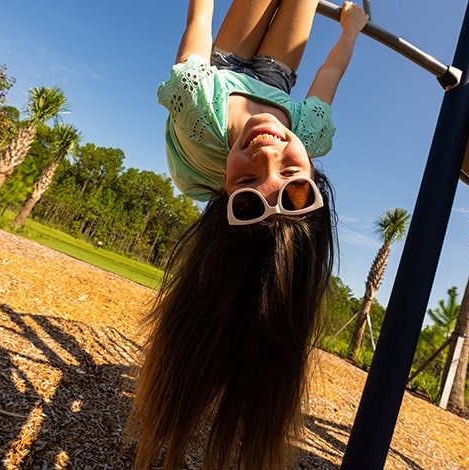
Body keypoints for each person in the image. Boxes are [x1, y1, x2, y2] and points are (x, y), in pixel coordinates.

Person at [126, 1, 369, 469]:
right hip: (276, 81)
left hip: (224, 70)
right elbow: (330, 73)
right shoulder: (309, 134)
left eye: (245, 187)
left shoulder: (198, 107)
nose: (266, 155)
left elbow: (199, 20)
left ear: (221, 189)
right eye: (294, 179)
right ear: (315, 174)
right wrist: (350, 30)